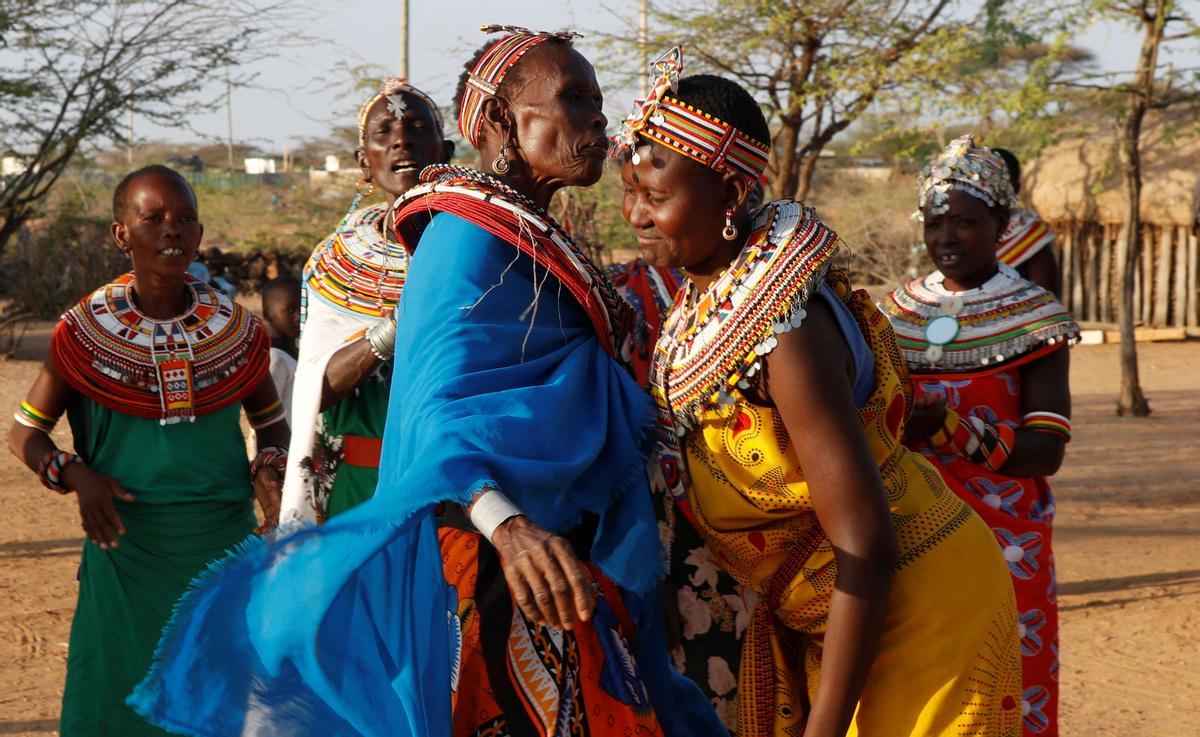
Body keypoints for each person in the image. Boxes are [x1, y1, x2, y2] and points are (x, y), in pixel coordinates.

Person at [129, 27, 724, 737]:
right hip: (507, 562)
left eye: (598, 100)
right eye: (573, 97)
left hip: (559, 553)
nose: (599, 117)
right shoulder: (466, 238)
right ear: (503, 120)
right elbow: (436, 404)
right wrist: (510, 525)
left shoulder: (525, 237)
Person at [615, 49, 1022, 736]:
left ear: (732, 199)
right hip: (843, 618)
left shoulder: (786, 333)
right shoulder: (711, 297)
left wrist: (824, 728)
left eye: (655, 196)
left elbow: (866, 540)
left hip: (918, 612)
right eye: (628, 190)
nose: (636, 214)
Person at [6, 165, 288, 737]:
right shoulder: (82, 333)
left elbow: (272, 428)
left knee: (220, 705)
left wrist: (273, 479)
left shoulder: (237, 331)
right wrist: (74, 473)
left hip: (222, 552)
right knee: (119, 706)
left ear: (201, 233)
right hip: (125, 550)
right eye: (153, 219)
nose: (171, 231)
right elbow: (25, 433)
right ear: (121, 235)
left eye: (185, 219)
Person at [883, 135, 1079, 737]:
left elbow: (1045, 450)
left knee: (1009, 684)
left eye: (965, 222)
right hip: (913, 531)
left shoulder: (1036, 315)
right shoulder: (896, 312)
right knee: (920, 682)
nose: (946, 237)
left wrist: (949, 427)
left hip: (1005, 540)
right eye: (935, 221)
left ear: (1001, 222)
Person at [278, 78, 452, 523]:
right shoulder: (337, 260)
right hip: (360, 485)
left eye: (416, 127)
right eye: (384, 132)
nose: (401, 140)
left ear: (446, 152)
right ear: (363, 161)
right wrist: (391, 331)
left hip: (455, 483)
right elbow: (314, 389)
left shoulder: (481, 248)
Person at [991, 148, 1059, 295]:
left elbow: (1046, 302)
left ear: (1016, 187)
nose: (991, 189)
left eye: (999, 182)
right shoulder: (967, 231)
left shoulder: (1031, 237)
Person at [260, 275, 300, 426]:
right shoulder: (274, 358)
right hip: (283, 446)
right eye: (290, 310)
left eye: (304, 308)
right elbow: (265, 419)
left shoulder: (295, 352)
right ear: (266, 313)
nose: (299, 317)